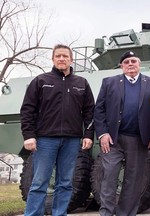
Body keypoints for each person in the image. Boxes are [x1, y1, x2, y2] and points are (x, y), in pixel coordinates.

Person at [20, 44, 95, 216]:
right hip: (46, 139)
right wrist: (29, 135)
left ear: (71, 59)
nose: (62, 59)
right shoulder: (41, 81)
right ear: (53, 59)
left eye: (65, 56)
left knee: (66, 183)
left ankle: (60, 213)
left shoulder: (81, 83)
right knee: (39, 182)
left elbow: (90, 111)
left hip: (72, 140)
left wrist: (88, 135)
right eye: (58, 56)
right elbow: (27, 110)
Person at [94, 50, 150, 216]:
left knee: (133, 180)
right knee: (109, 176)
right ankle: (106, 212)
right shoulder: (109, 82)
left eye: (134, 61)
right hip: (113, 139)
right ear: (121, 66)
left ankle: (126, 213)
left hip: (139, 140)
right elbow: (99, 110)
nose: (130, 64)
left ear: (139, 64)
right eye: (127, 62)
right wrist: (103, 134)